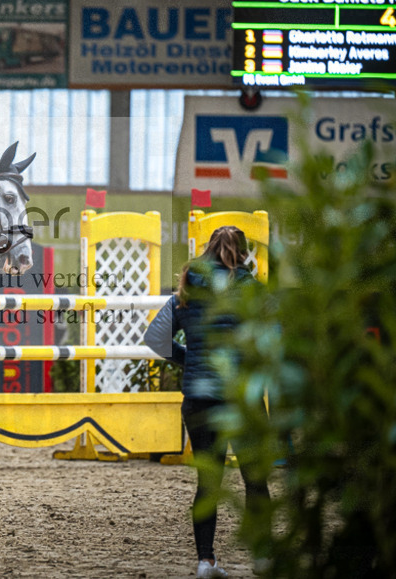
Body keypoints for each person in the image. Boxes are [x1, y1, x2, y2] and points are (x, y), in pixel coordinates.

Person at [144, 225, 271, 579]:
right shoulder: (252, 290)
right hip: (241, 398)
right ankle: (262, 557)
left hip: (199, 399)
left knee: (208, 484)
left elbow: (154, 338)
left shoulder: (186, 288)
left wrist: (190, 359)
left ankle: (205, 562)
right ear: (244, 253)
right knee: (256, 480)